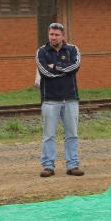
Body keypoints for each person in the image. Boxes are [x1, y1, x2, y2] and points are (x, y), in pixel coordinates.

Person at [36, 22, 83, 177]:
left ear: (63, 36)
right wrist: (63, 68)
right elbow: (44, 72)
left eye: (56, 35)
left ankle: (73, 165)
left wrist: (55, 66)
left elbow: (75, 66)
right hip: (50, 99)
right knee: (49, 135)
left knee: (72, 133)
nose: (53, 37)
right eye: (51, 34)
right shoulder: (41, 52)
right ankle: (48, 166)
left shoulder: (73, 49)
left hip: (70, 99)